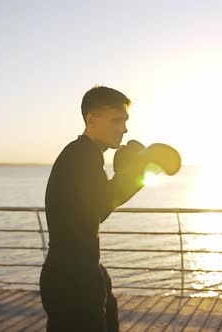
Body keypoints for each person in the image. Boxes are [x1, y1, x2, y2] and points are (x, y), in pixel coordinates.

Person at [40, 86, 181, 331]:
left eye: (125, 121)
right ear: (91, 119)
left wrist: (128, 172)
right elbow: (104, 202)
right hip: (72, 278)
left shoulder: (84, 154)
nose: (124, 129)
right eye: (117, 121)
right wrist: (140, 168)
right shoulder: (81, 154)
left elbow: (94, 212)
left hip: (77, 272)